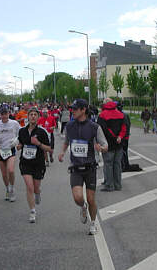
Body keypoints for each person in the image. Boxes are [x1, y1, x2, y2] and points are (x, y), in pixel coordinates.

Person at [58, 99, 108, 235]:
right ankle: (83, 206)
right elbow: (67, 141)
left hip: (90, 167)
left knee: (91, 198)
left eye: (75, 109)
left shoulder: (94, 127)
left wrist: (100, 148)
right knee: (78, 198)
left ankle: (93, 223)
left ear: (83, 110)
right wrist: (62, 152)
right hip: (75, 167)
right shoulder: (69, 126)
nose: (72, 111)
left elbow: (105, 145)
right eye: (72, 109)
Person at [17, 107, 51, 223]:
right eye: (30, 114)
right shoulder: (22, 131)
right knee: (29, 187)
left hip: (38, 164)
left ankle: (38, 192)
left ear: (38, 117)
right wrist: (19, 146)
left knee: (35, 187)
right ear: (28, 117)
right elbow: (20, 142)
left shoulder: (42, 132)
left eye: (35, 115)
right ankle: (32, 211)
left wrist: (39, 143)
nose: (32, 116)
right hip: (25, 163)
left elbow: (49, 149)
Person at [0, 106, 20, 202]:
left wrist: (16, 140)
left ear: (8, 114)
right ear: (0, 115)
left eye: (5, 114)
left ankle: (12, 188)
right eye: (2, 114)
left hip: (10, 149)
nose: (4, 116)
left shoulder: (14, 123)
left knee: (10, 170)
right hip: (0, 150)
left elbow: (21, 133)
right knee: (3, 174)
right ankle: (7, 189)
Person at [97, 98, 126, 192]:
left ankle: (109, 185)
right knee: (117, 164)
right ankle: (118, 185)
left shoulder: (102, 115)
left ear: (104, 105)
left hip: (107, 144)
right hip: (119, 143)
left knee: (108, 164)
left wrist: (112, 137)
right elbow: (124, 127)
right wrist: (120, 137)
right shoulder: (121, 114)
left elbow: (102, 130)